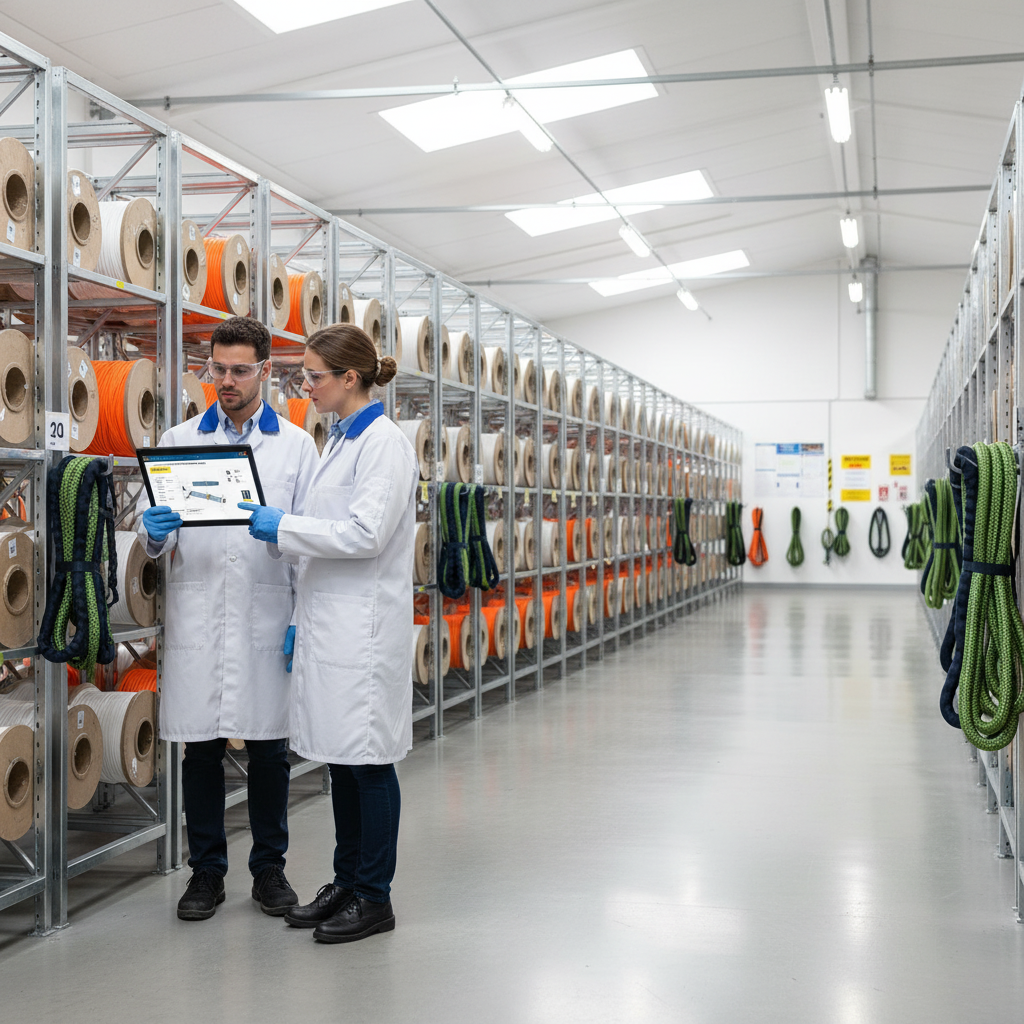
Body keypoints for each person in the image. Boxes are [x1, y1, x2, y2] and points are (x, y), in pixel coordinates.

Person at [239, 322, 417, 944]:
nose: (304, 385)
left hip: (364, 631)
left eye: (313, 376)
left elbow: (365, 533)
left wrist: (285, 526)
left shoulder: (384, 445)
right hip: (330, 624)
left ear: (349, 379)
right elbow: (326, 530)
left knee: (370, 763)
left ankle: (376, 895)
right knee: (343, 760)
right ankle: (346, 882)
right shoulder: (340, 441)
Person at [138, 316, 320, 922]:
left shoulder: (297, 447)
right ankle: (206, 873)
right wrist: (154, 534)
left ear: (266, 371)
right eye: (218, 368)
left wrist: (302, 615)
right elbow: (151, 528)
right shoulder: (179, 437)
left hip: (267, 614)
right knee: (201, 749)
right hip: (198, 614)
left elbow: (312, 536)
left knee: (270, 750)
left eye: (241, 370)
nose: (227, 380)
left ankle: (269, 870)